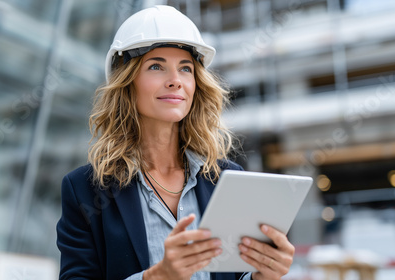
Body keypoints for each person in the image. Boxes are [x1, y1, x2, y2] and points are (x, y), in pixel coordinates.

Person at [56, 5, 295, 280]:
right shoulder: (84, 190)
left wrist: (262, 275)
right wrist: (158, 276)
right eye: (156, 66)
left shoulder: (227, 178)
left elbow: (236, 274)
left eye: (185, 68)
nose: (175, 81)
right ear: (127, 82)